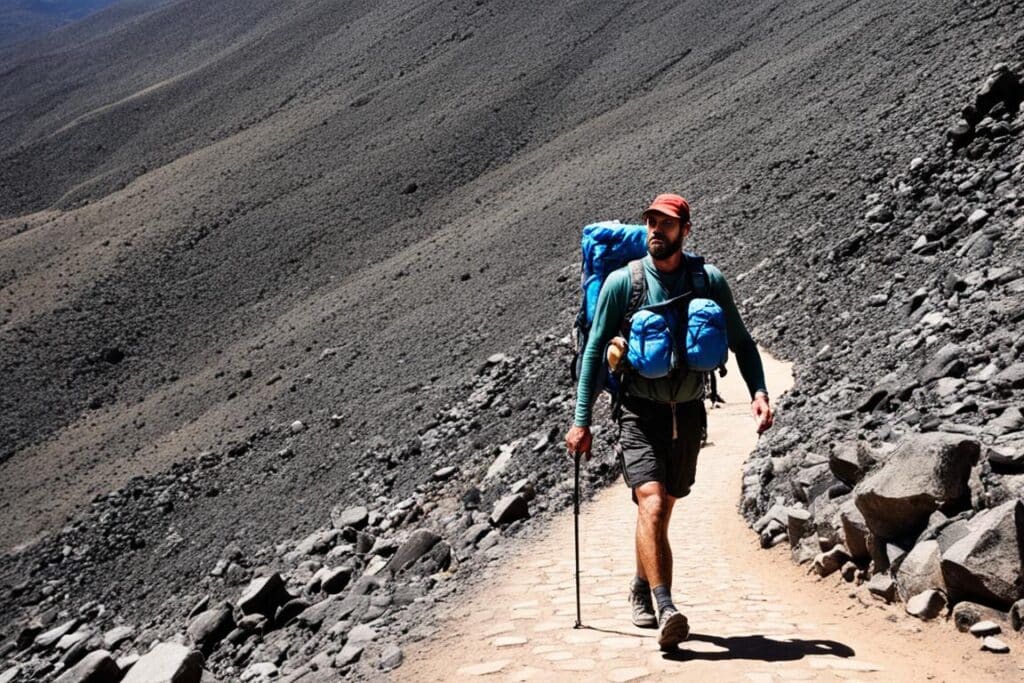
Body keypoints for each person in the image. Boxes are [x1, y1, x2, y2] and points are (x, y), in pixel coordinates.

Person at [565, 193, 773, 650]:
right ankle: (667, 608)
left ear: (685, 229)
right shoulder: (625, 283)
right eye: (651, 222)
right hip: (639, 412)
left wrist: (758, 392)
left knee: (664, 509)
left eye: (667, 223)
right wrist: (582, 422)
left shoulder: (707, 280)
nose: (657, 230)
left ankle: (641, 584)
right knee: (653, 505)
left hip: (690, 413)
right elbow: (593, 352)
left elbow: (741, 341)